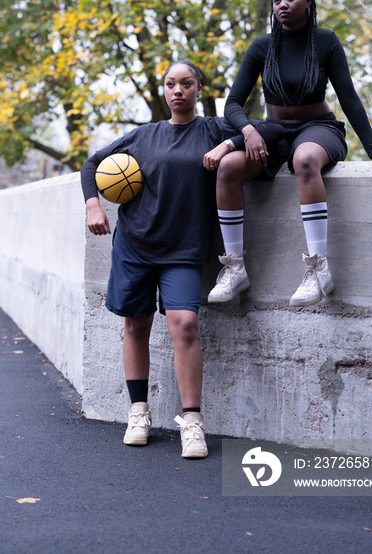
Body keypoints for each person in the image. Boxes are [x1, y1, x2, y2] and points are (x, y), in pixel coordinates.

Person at [80, 61, 248, 459]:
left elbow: (265, 135)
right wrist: (94, 206)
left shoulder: (213, 129)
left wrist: (227, 146)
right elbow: (91, 165)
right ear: (165, 90)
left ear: (198, 89)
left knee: (185, 325)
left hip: (184, 249)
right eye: (171, 84)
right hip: (135, 245)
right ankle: (138, 412)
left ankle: (192, 423)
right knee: (135, 326)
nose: (178, 91)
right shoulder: (143, 135)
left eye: (186, 84)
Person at [204, 0, 372, 307]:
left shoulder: (325, 41)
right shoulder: (261, 47)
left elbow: (349, 98)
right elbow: (232, 103)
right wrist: (249, 131)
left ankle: (318, 269)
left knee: (305, 159)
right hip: (273, 133)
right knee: (228, 167)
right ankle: (235, 267)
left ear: (308, 1)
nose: (283, 5)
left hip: (318, 129)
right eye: (277, 0)